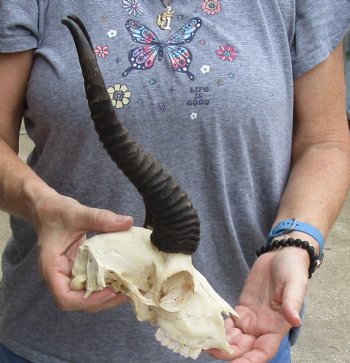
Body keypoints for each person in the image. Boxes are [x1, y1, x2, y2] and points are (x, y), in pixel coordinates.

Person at [0, 1, 349, 362]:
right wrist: (39, 203)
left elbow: (323, 142)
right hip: (46, 343)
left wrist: (295, 240)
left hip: (244, 335)